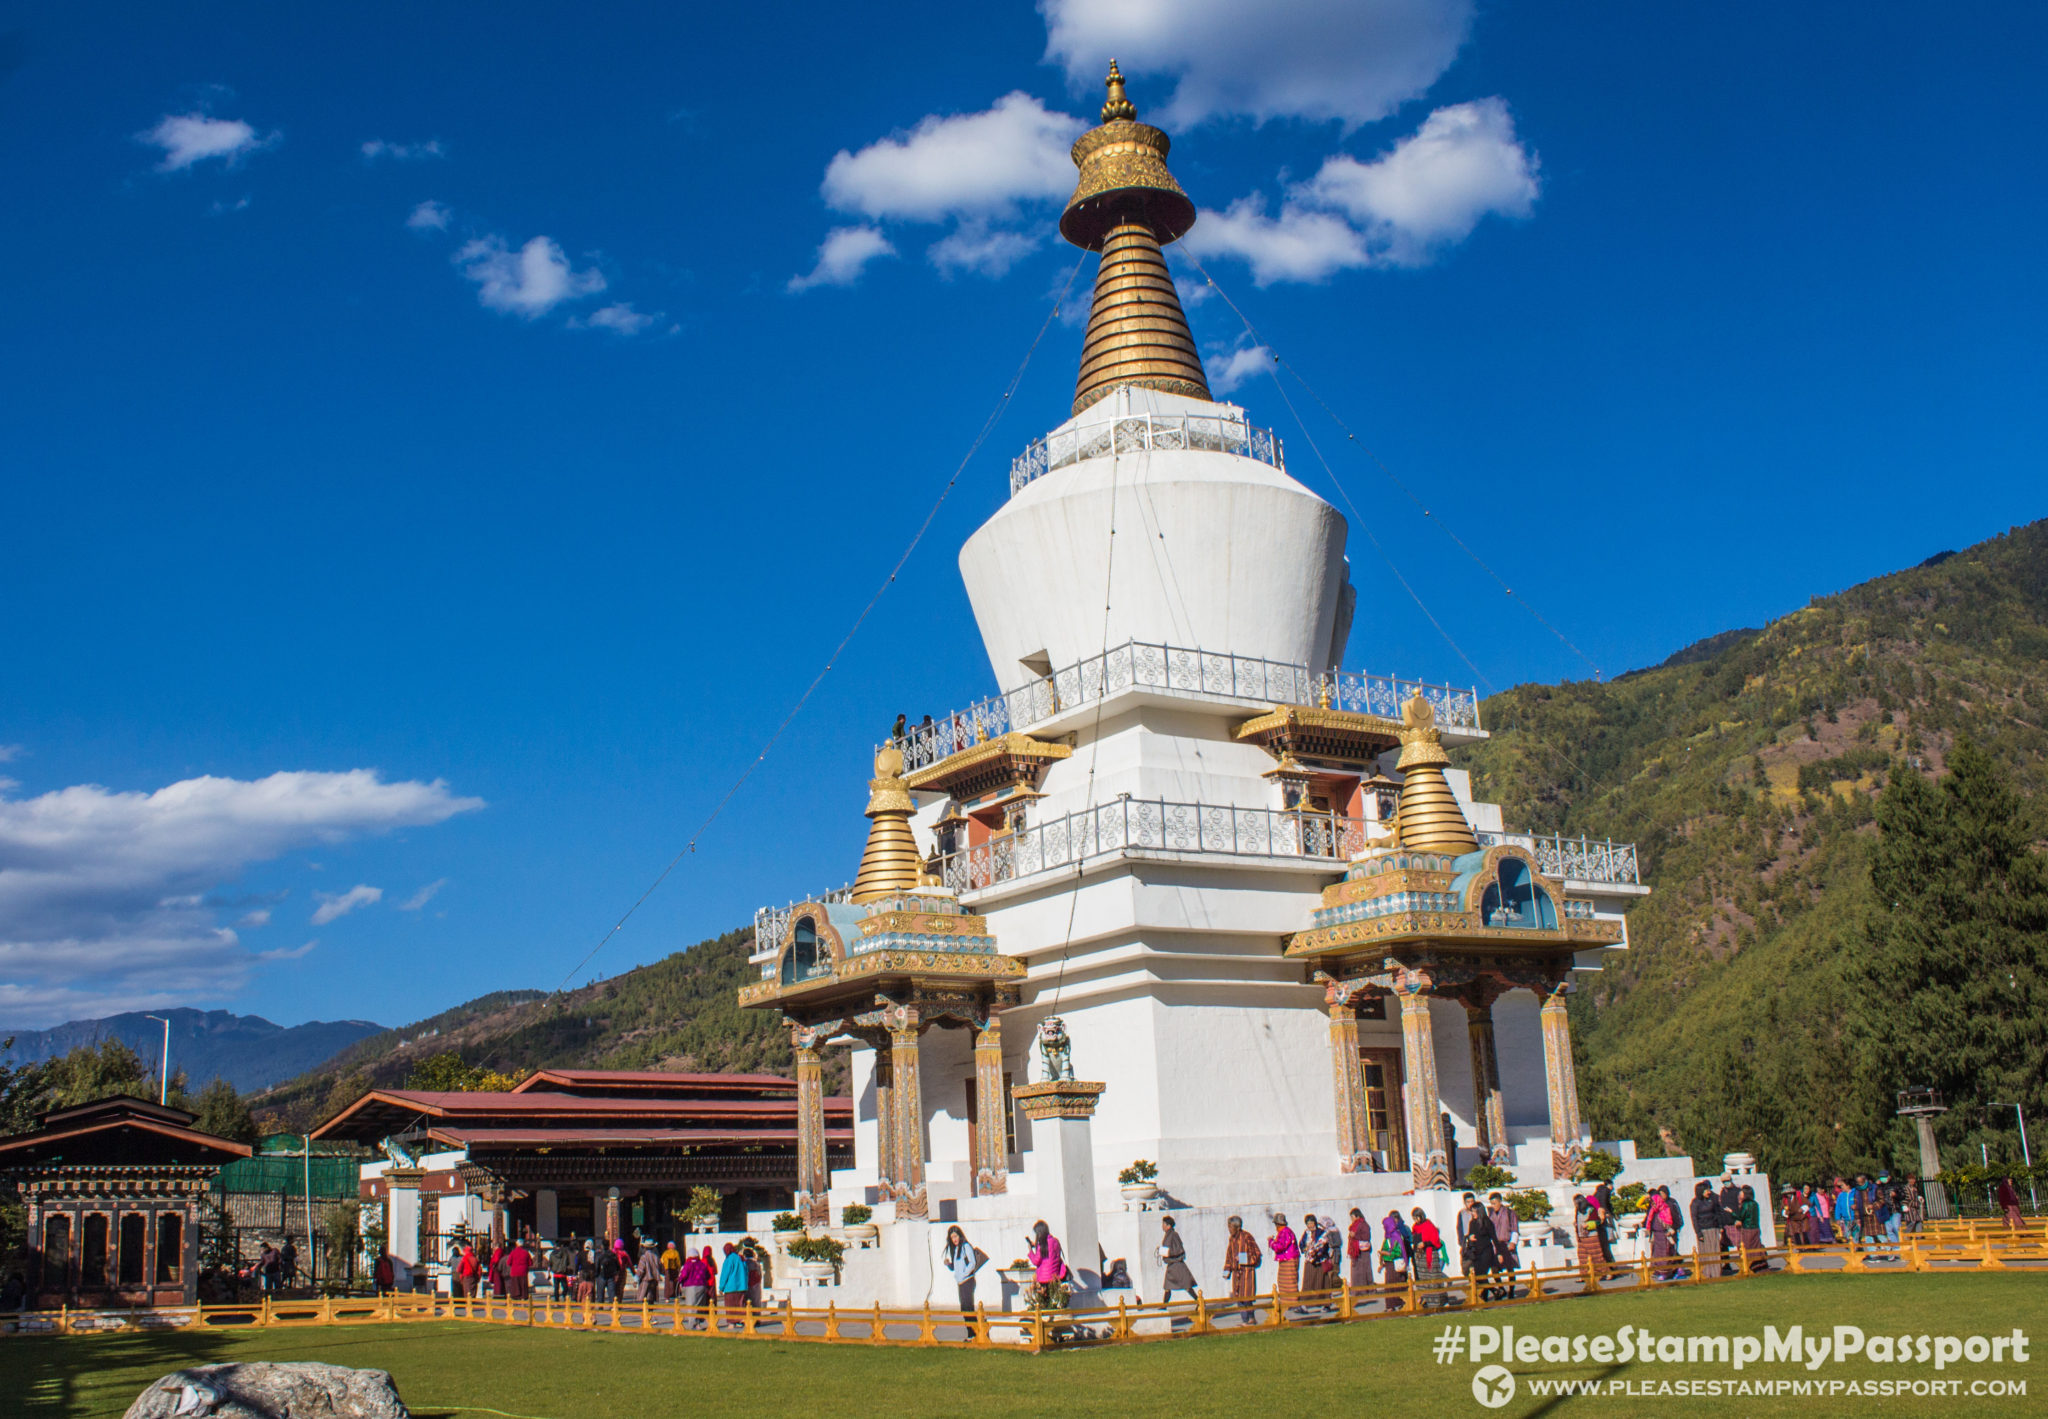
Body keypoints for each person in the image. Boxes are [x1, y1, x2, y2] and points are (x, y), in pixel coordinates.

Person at [943, 1225, 984, 1336]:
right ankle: (970, 1333)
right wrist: (949, 1265)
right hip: (960, 1282)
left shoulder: (966, 1246)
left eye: (956, 1236)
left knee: (968, 1308)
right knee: (964, 1309)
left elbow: (972, 1263)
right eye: (952, 1237)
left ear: (960, 1235)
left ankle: (975, 1333)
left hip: (967, 1281)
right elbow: (956, 1268)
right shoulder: (956, 1249)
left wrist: (964, 1274)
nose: (955, 1239)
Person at [1222, 1215, 1261, 1322]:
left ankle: (1251, 1318)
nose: (1229, 1230)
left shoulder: (1247, 1237)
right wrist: (1227, 1270)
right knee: (1239, 1298)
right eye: (1228, 1227)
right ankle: (1245, 1320)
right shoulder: (1231, 1239)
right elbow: (1229, 1255)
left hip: (1247, 1273)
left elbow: (1257, 1254)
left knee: (1247, 1297)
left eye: (1231, 1227)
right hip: (1236, 1274)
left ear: (1237, 1227)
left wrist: (1244, 1258)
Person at [1410, 1209, 1448, 1307]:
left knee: (1433, 1278)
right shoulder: (1415, 1227)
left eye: (1417, 1217)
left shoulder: (1429, 1226)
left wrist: (1425, 1244)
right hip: (1420, 1257)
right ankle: (1426, 1301)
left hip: (1430, 1255)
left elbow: (1436, 1241)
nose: (1416, 1220)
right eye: (1414, 1218)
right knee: (1423, 1280)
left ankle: (1438, 1302)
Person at [1157, 1216, 1199, 1306]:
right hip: (1171, 1266)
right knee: (1167, 1287)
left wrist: (1165, 1251)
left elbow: (1179, 1250)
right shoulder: (1168, 1235)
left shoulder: (1174, 1235)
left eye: (1163, 1224)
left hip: (1177, 1266)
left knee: (1187, 1286)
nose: (1162, 1226)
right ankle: (1164, 1306)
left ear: (1168, 1225)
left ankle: (1199, 1302)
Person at [1027, 1220, 1065, 1309]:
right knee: (1054, 1301)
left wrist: (1031, 1251)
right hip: (1055, 1276)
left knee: (1044, 1302)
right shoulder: (1055, 1241)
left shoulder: (1042, 1245)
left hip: (1043, 1278)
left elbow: (1036, 1261)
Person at [1268, 1213, 1300, 1314]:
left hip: (1289, 1259)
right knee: (1284, 1281)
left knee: (1290, 1281)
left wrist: (1271, 1242)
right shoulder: (1284, 1232)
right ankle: (1288, 1302)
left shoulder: (1285, 1232)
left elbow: (1279, 1246)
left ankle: (1293, 1303)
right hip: (1286, 1259)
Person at [1646, 1187, 1680, 1280]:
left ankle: (1666, 1273)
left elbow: (1669, 1223)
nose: (1653, 1204)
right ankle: (1659, 1271)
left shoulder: (1665, 1209)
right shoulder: (1653, 1211)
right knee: (1657, 1254)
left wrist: (1672, 1230)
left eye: (1654, 1202)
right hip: (1657, 1236)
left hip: (1664, 1235)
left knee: (1666, 1254)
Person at [1300, 1214, 1336, 1302]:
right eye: (1308, 1224)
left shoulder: (1321, 1232)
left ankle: (1325, 1303)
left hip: (1320, 1260)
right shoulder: (1306, 1233)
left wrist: (1317, 1252)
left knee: (1322, 1282)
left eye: (1311, 1223)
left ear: (1315, 1223)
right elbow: (1301, 1243)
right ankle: (1306, 1302)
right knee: (1308, 1282)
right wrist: (1304, 1248)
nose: (1310, 1225)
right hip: (1310, 1260)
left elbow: (1324, 1246)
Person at [1690, 1182, 1723, 1276]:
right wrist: (1698, 1233)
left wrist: (1720, 1226)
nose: (1709, 1192)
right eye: (1706, 1190)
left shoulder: (1711, 1200)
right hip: (1703, 1230)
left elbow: (1717, 1213)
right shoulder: (1695, 1203)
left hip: (1713, 1228)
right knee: (1705, 1252)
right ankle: (1706, 1273)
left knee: (1714, 1250)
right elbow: (1694, 1218)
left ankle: (1716, 1273)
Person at [1379, 1212, 1410, 1310]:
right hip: (1388, 1264)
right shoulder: (1387, 1237)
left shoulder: (1397, 1236)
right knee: (1389, 1287)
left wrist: (1386, 1253)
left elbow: (1398, 1251)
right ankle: (1391, 1306)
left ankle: (1401, 1303)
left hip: (1395, 1264)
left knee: (1396, 1285)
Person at [1487, 1193, 1521, 1278]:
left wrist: (1513, 1242)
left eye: (1494, 1203)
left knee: (1510, 1268)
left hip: (1507, 1244)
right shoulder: (1490, 1215)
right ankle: (1501, 1289)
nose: (1493, 1206)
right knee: (1494, 1268)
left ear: (1500, 1202)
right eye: (1491, 1204)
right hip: (1496, 1245)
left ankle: (1511, 1290)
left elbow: (1515, 1228)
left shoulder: (1510, 1213)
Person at [677, 1246, 712, 1329]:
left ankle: (692, 1323)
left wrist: (679, 1280)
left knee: (691, 1305)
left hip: (691, 1287)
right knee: (699, 1305)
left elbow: (684, 1275)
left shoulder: (688, 1264)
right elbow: (707, 1275)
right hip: (702, 1286)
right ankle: (698, 1323)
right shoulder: (702, 1264)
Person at [716, 1242, 749, 1328]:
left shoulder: (729, 1259)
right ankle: (740, 1320)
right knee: (740, 1305)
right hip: (742, 1286)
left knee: (730, 1305)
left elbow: (725, 1274)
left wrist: (721, 1287)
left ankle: (731, 1322)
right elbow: (746, 1271)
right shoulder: (740, 1258)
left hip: (730, 1287)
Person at [1737, 1185, 1766, 1272]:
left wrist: (1733, 1213)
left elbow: (1741, 1216)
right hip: (1756, 1228)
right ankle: (1760, 1265)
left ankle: (1750, 1266)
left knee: (1748, 1248)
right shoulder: (1755, 1204)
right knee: (1756, 1247)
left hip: (1748, 1229)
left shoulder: (1746, 1204)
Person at [1345, 1207, 1374, 1290]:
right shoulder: (1354, 1226)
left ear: (1357, 1216)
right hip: (1355, 1252)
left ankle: (1365, 1290)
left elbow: (1366, 1237)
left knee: (1364, 1271)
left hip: (1362, 1252)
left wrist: (1355, 1236)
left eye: (1352, 1217)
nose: (1351, 1219)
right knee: (1356, 1272)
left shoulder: (1363, 1224)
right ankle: (1357, 1290)